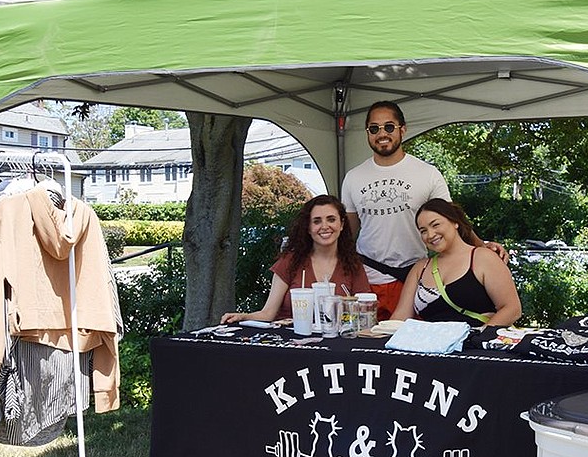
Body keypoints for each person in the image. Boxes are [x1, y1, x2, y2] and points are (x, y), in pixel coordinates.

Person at [342, 101, 507, 320]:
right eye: (374, 128)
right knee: (370, 343)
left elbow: (451, 219)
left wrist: (481, 246)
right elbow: (345, 234)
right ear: (368, 133)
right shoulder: (353, 177)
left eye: (389, 127)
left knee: (410, 345)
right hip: (368, 279)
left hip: (416, 276)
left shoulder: (427, 173)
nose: (382, 133)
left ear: (403, 129)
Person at [221, 195, 370, 324]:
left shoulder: (353, 265)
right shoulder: (290, 261)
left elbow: (365, 312)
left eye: (331, 219)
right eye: (317, 221)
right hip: (290, 344)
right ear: (308, 227)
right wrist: (243, 317)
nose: (325, 226)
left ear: (342, 224)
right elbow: (267, 313)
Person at [390, 199, 521, 327]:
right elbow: (400, 317)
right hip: (432, 344)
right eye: (423, 231)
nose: (430, 235)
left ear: (455, 222)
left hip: (476, 344)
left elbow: (512, 309)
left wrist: (479, 335)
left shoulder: (483, 257)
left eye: (435, 225)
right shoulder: (420, 268)